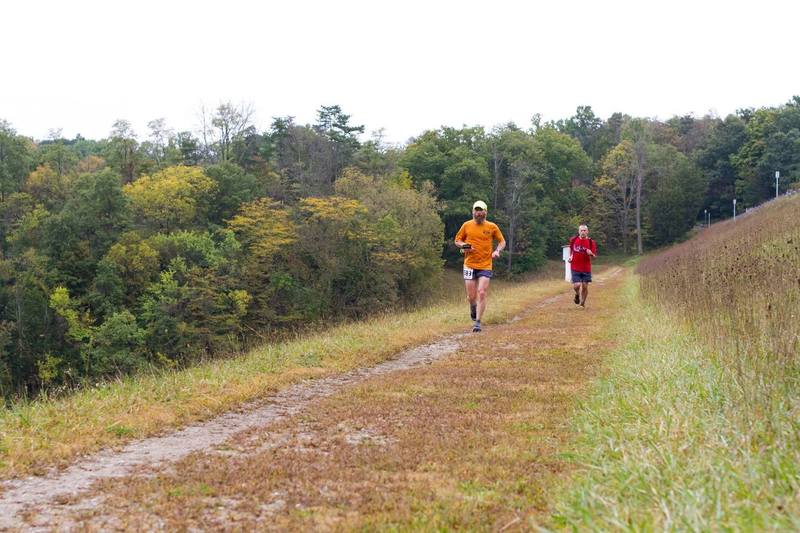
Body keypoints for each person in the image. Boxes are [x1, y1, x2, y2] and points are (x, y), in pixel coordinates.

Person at [454, 200, 505, 332]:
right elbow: (457, 240)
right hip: (469, 265)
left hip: (485, 264)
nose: (478, 213)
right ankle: (472, 306)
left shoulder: (492, 227)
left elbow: (502, 241)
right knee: (471, 296)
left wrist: (497, 251)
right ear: (473, 212)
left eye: (481, 210)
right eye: (476, 210)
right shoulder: (466, 225)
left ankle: (477, 322)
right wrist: (465, 246)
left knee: (481, 292)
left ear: (485, 212)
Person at [568, 224, 597, 308]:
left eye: (584, 230)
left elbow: (595, 257)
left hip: (586, 268)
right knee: (577, 285)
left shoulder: (591, 242)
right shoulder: (573, 240)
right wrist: (570, 256)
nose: (583, 232)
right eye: (581, 230)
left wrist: (590, 253)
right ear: (579, 231)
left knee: (584, 286)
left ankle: (582, 303)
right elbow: (571, 249)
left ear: (587, 232)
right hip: (575, 267)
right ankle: (577, 294)